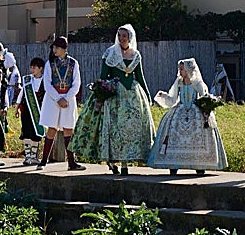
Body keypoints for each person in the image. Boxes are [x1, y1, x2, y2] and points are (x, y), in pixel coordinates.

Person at [72, 24, 154, 176]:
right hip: (114, 95)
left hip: (133, 95)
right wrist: (101, 94)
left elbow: (140, 77)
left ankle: (126, 162)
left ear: (130, 38)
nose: (122, 38)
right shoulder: (110, 53)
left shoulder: (135, 55)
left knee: (132, 128)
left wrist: (147, 96)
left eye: (124, 36)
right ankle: (113, 161)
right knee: (115, 129)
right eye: (120, 35)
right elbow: (104, 76)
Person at [147, 58, 227, 174]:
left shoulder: (197, 83)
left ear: (189, 70)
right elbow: (173, 99)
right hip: (180, 110)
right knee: (172, 131)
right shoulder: (179, 82)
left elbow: (204, 96)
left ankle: (199, 164)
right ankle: (173, 164)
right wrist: (164, 96)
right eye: (179, 69)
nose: (180, 72)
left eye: (182, 69)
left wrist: (207, 105)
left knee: (199, 134)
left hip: (196, 113)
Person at [37, 36, 85, 170]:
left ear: (64, 48)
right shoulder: (49, 64)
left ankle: (71, 162)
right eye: (53, 47)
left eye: (57, 47)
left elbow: (77, 83)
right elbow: (47, 83)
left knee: (68, 128)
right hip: (53, 99)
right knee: (52, 128)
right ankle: (43, 160)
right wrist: (58, 98)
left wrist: (67, 97)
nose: (54, 50)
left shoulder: (74, 63)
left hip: (68, 100)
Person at [12, 56, 46, 165]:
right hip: (26, 109)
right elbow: (21, 94)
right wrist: (16, 108)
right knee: (26, 132)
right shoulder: (27, 80)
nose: (32, 70)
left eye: (34, 67)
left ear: (41, 68)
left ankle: (34, 156)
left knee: (36, 133)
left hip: (39, 109)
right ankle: (27, 157)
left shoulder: (46, 80)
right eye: (31, 67)